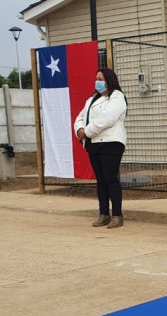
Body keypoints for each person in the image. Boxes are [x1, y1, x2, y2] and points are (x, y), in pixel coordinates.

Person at [74, 68, 127, 229]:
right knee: (101, 180)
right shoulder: (92, 99)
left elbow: (107, 119)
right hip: (93, 143)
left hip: (110, 143)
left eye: (101, 78)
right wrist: (79, 130)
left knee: (110, 179)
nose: (97, 81)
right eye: (96, 78)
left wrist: (87, 132)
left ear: (109, 80)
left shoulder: (117, 97)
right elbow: (81, 117)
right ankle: (104, 213)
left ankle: (117, 215)